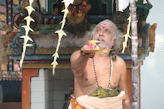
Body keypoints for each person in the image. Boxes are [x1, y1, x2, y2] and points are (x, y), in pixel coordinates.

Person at [70, 19, 131, 109]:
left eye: (107, 31)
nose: (101, 34)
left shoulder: (119, 63)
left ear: (114, 41)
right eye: (98, 30)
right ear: (92, 36)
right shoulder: (78, 56)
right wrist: (84, 55)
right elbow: (77, 70)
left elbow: (124, 98)